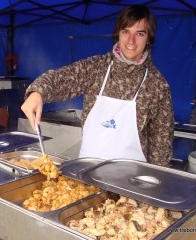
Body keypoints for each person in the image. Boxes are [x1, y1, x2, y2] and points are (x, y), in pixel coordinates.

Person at [21, 5, 174, 166]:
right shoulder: (96, 67)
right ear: (118, 34)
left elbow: (161, 146)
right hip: (87, 173)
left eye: (139, 34)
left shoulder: (157, 85)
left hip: (131, 181)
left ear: (149, 37)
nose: (131, 41)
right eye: (125, 32)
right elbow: (60, 79)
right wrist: (37, 93)